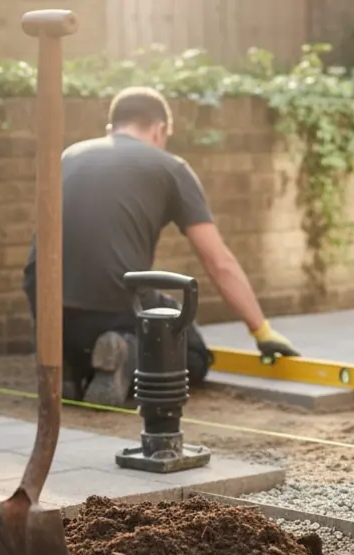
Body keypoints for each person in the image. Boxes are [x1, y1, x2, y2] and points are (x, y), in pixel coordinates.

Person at [22, 86, 299, 406]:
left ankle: (68, 364)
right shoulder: (170, 167)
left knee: (103, 323)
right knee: (194, 356)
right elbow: (218, 261)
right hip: (113, 304)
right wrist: (261, 332)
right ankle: (127, 357)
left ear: (112, 128)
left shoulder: (70, 155)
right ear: (159, 129)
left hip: (46, 310)